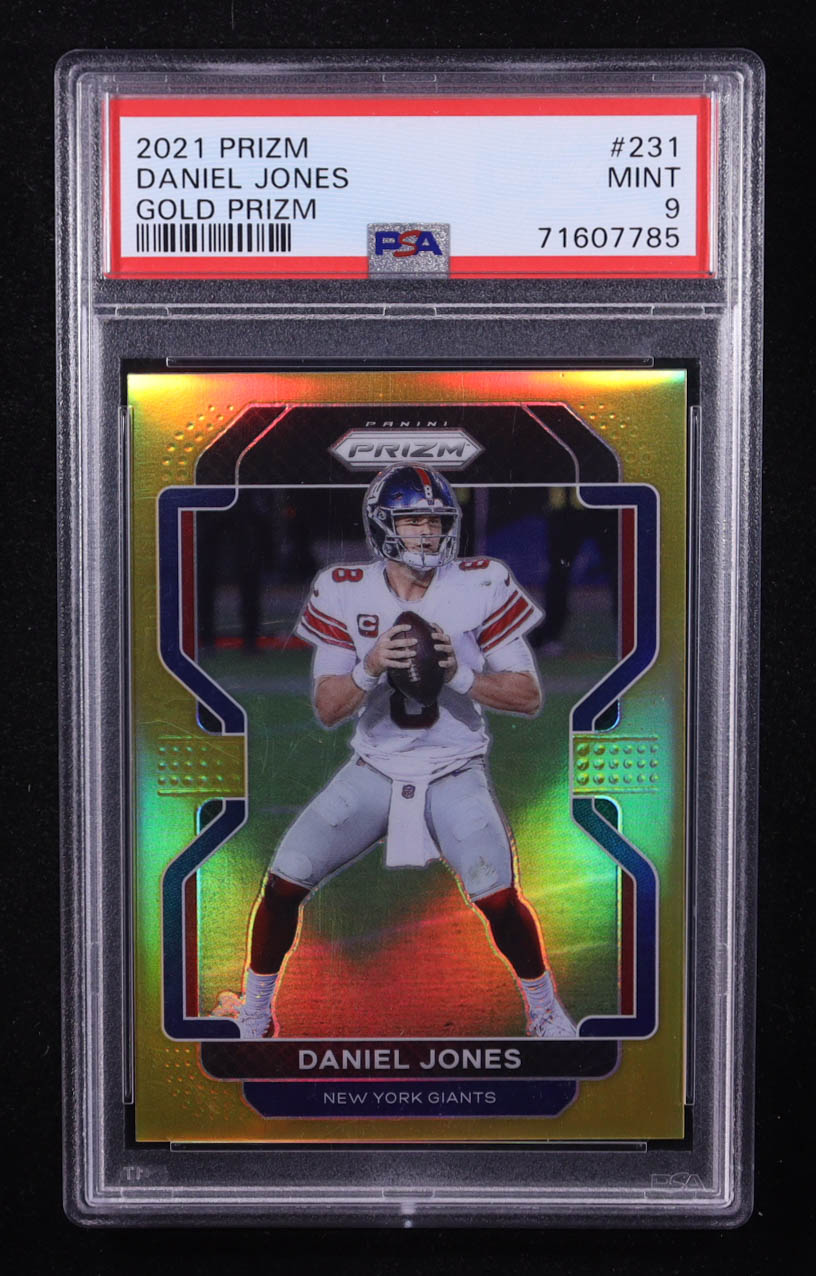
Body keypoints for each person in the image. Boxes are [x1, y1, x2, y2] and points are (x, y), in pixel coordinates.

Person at [217, 465, 576, 1040]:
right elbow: (329, 707)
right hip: (376, 768)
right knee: (286, 880)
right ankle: (255, 1014)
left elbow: (528, 695)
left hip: (454, 768)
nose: (427, 532)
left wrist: (460, 675)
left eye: (436, 520)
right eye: (412, 520)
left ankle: (546, 1013)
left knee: (498, 898)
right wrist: (370, 665)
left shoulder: (481, 582)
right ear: (384, 525)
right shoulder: (344, 587)